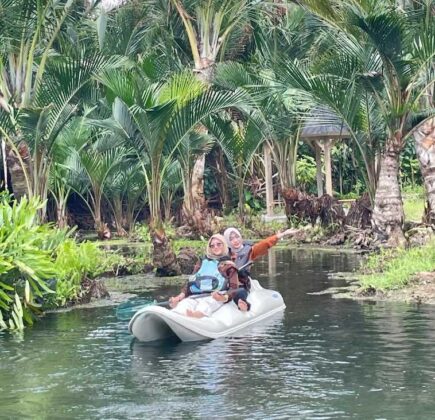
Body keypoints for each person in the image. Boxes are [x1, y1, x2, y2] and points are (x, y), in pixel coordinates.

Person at [169, 234, 248, 318]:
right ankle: (177, 313)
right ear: (209, 248)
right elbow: (190, 282)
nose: (215, 247)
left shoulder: (229, 265)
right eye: (212, 245)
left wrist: (223, 297)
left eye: (218, 244)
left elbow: (234, 288)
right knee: (186, 303)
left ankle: (197, 315)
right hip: (196, 295)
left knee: (206, 303)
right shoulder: (202, 262)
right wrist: (179, 297)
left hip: (216, 295)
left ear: (224, 245)